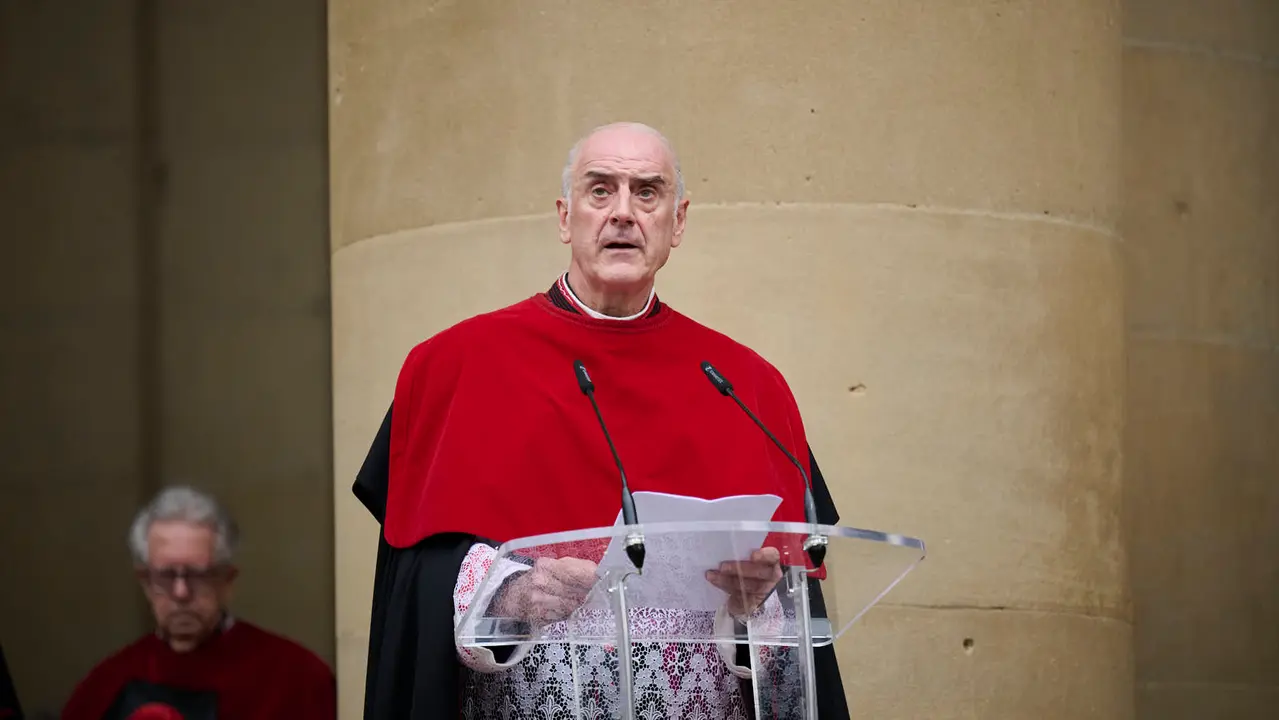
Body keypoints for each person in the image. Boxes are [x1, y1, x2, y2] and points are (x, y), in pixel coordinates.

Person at [354, 122, 850, 719]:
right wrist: (510, 591)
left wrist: (757, 606)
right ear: (566, 218)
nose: (622, 212)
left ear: (678, 221)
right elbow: (416, 582)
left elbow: (798, 617)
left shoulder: (748, 385)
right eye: (600, 190)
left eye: (647, 192)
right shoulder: (456, 366)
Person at [62, 486, 335, 720]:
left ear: (227, 580)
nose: (181, 592)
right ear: (145, 582)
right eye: (166, 575)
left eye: (197, 575)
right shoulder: (106, 686)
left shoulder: (296, 679)